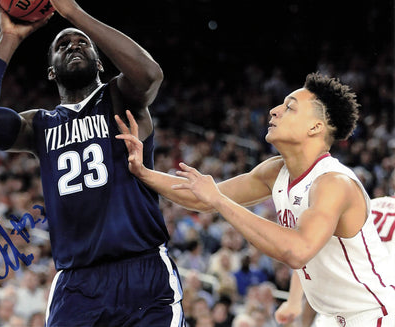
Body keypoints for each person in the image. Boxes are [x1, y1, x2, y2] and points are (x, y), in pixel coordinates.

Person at [0, 0, 184, 327]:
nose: (74, 45)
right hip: (77, 282)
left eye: (83, 44)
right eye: (62, 46)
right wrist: (9, 37)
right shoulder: (39, 126)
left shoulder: (120, 98)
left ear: (99, 63)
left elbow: (150, 74)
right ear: (51, 71)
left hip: (142, 270)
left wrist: (72, 12)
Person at [115, 73, 395, 326]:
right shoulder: (275, 171)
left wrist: (221, 203)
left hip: (376, 313)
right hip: (337, 317)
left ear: (315, 128)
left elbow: (297, 251)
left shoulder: (333, 183)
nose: (274, 111)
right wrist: (143, 171)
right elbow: (201, 198)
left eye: (289, 107)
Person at [275, 194, 395, 326]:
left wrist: (294, 301)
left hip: (336, 304)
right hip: (377, 306)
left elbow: (311, 250)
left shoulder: (365, 205)